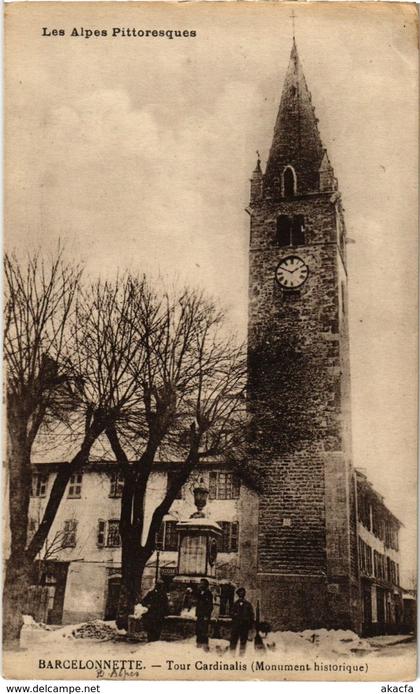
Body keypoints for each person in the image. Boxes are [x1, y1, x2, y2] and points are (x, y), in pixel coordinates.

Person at [229, 587, 254, 656]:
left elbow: (251, 615)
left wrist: (250, 625)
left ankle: (241, 655)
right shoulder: (235, 604)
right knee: (233, 641)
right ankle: (232, 655)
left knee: (243, 642)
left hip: (244, 626)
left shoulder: (248, 605)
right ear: (238, 594)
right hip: (236, 626)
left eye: (243, 592)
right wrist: (234, 615)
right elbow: (231, 613)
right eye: (240, 592)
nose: (242, 594)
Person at [195, 578, 213, 650]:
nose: (200, 585)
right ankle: (198, 644)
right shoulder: (199, 593)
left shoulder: (208, 593)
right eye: (200, 583)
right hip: (200, 615)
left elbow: (210, 606)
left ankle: (205, 646)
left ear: (206, 585)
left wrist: (207, 615)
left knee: (204, 631)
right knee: (198, 630)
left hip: (205, 615)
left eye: (202, 584)